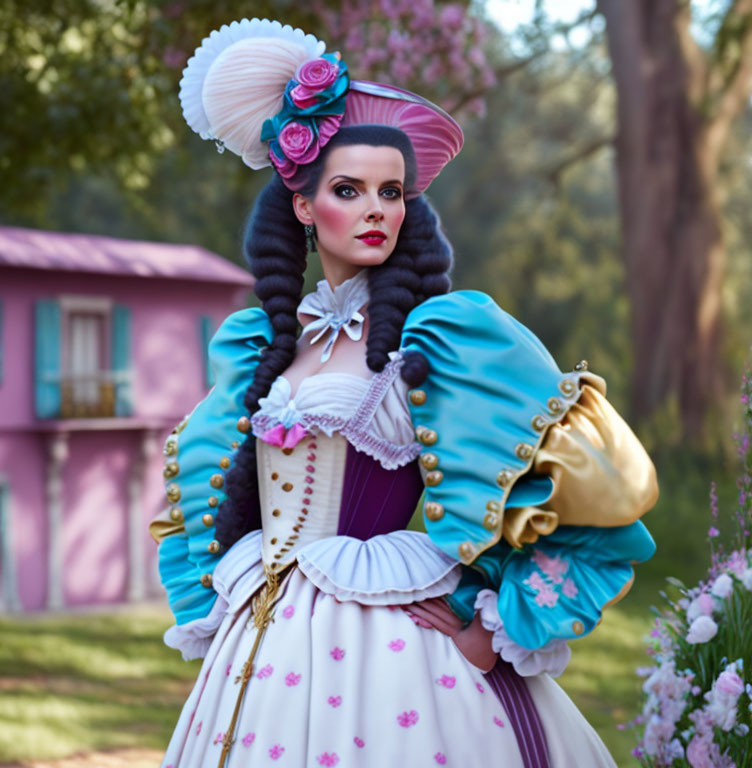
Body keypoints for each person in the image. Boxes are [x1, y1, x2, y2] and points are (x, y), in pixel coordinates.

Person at [151, 18, 659, 768]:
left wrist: (491, 634)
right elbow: (193, 494)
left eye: (390, 192)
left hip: (398, 649)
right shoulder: (265, 345)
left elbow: (591, 498)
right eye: (349, 190)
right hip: (261, 645)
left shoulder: (444, 339)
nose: (375, 210)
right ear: (303, 205)